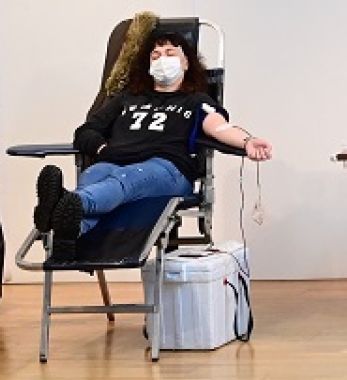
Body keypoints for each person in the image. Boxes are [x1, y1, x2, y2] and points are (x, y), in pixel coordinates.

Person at [32, 30, 274, 262]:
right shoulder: (127, 98)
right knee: (94, 175)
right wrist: (101, 150)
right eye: (155, 55)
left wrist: (248, 142)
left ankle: (63, 203)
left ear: (186, 63)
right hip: (113, 162)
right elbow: (87, 130)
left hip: (166, 168)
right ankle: (69, 235)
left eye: (170, 53)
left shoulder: (196, 101)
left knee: (125, 179)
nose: (162, 59)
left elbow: (220, 128)